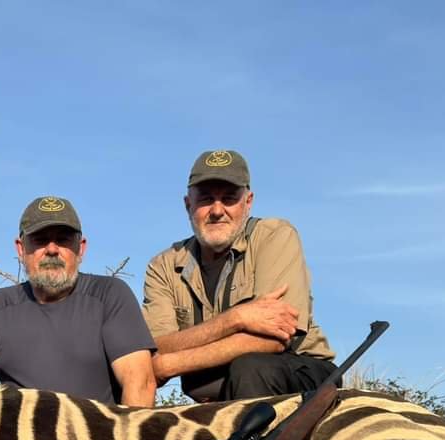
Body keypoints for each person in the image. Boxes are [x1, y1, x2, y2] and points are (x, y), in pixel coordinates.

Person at [142, 150, 335, 402]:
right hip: (217, 393)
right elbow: (156, 346)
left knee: (251, 368)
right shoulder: (163, 266)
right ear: (188, 205)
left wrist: (169, 365)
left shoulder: (274, 235)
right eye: (206, 199)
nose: (217, 210)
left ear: (248, 201)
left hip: (296, 374)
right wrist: (237, 318)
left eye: (229, 198)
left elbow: (274, 340)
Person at [0, 196, 157, 407]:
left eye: (63, 239)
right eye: (40, 240)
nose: (52, 249)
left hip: (98, 437)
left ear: (81, 248)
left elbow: (140, 383)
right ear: (20, 249)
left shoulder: (109, 296)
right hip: (20, 438)